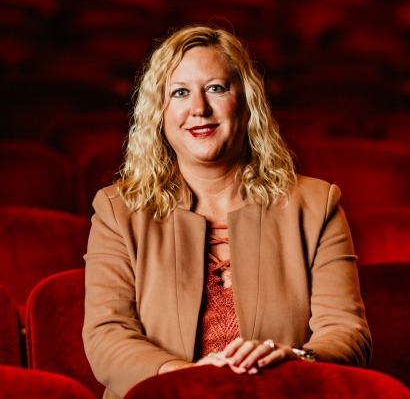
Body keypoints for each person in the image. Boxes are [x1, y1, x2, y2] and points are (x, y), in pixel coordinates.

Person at [83, 24, 372, 399]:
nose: (199, 109)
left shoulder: (316, 205)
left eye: (216, 88)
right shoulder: (117, 210)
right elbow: (107, 334)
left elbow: (348, 332)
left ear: (247, 102)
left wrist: (295, 359)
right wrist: (187, 379)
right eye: (180, 93)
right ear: (159, 112)